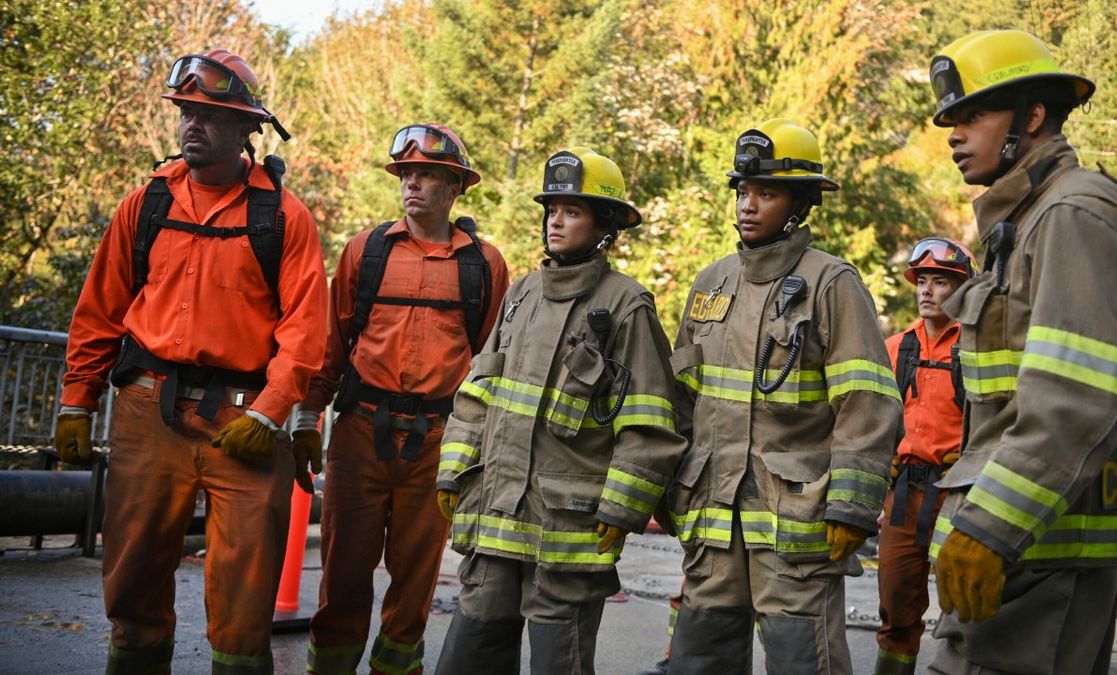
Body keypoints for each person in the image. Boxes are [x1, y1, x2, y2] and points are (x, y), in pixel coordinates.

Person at [52, 49, 328, 673]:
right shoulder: (145, 204)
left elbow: (306, 333)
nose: (192, 126)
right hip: (148, 410)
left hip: (244, 425)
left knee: (244, 593)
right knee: (134, 577)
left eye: (209, 115)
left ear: (245, 130)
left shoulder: (284, 219)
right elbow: (99, 309)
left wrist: (270, 414)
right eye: (185, 113)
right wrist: (78, 401)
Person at [925, 30, 1117, 674]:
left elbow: (1073, 397)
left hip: (1038, 551)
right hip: (1026, 551)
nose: (953, 133)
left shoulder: (1074, 213)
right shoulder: (1026, 221)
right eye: (951, 119)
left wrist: (991, 527)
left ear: (1031, 116)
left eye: (973, 115)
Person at [433, 147, 688, 675]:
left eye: (572, 211)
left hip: (568, 535)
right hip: (495, 521)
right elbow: (478, 391)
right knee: (468, 657)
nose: (556, 220)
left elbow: (649, 422)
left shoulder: (626, 305)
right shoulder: (522, 293)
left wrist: (621, 510)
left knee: (559, 664)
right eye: (552, 209)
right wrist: (453, 471)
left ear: (605, 225)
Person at [665, 118, 901, 674]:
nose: (747, 205)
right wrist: (669, 491)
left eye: (765, 193)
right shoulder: (710, 284)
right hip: (713, 520)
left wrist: (851, 506)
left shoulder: (832, 284)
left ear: (799, 204)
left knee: (803, 663)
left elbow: (868, 406)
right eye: (743, 191)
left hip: (796, 522)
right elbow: (680, 399)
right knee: (699, 660)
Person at [294, 123, 509, 674]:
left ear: (455, 187)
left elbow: (491, 361)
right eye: (407, 174)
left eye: (428, 175)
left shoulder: (483, 265)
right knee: (341, 576)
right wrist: (307, 416)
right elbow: (333, 341)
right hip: (360, 433)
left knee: (414, 582)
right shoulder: (365, 251)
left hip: (437, 443)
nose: (413, 185)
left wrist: (480, 449)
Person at [874, 237, 976, 675]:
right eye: (923, 281)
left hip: (957, 495)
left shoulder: (976, 349)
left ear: (961, 291)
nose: (927, 291)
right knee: (896, 607)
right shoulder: (897, 348)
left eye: (940, 282)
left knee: (963, 610)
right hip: (903, 493)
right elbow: (874, 422)